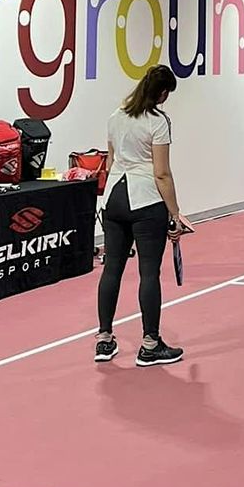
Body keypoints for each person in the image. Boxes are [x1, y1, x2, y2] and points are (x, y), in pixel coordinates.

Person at [96, 64, 193, 368]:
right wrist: (175, 214)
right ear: (162, 93)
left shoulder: (115, 116)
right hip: (146, 201)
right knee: (149, 273)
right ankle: (150, 345)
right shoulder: (158, 122)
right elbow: (161, 173)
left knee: (112, 269)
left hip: (114, 200)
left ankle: (104, 339)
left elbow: (110, 162)